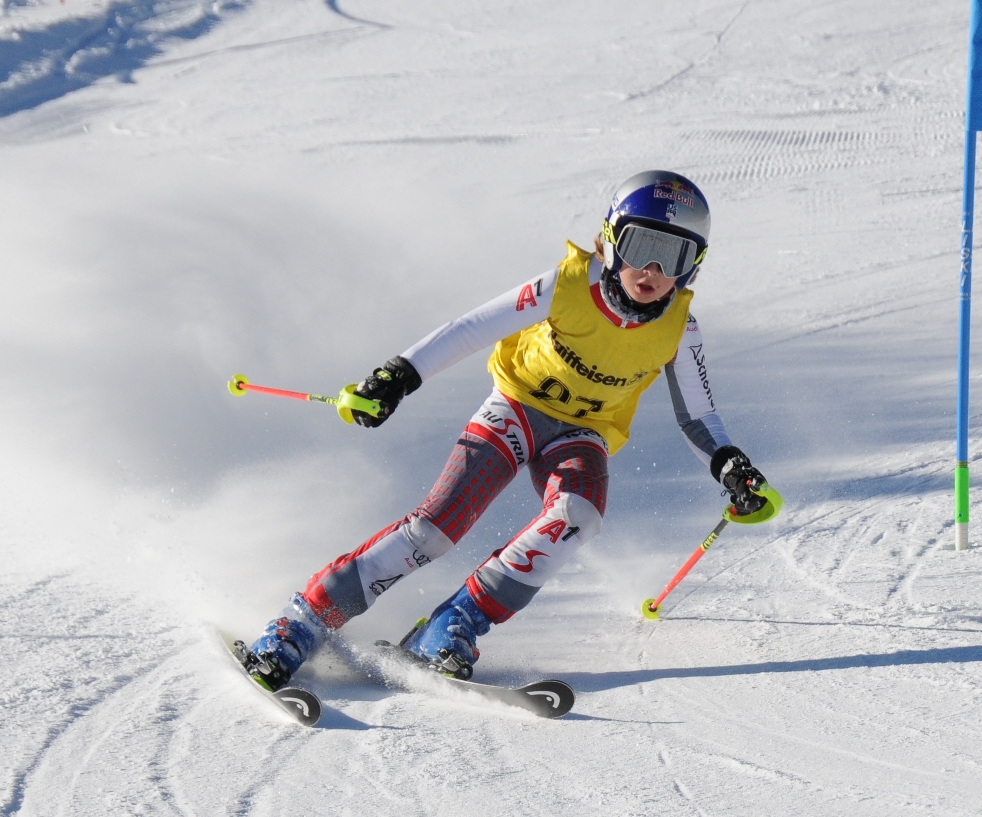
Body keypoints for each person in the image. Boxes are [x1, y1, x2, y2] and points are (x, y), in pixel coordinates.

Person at [239, 169, 774, 687]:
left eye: (673, 255)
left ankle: (453, 624)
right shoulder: (568, 285)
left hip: (582, 431)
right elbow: (472, 328)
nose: (651, 269)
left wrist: (730, 466)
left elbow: (698, 415)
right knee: (436, 529)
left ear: (693, 267)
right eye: (640, 246)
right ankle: (302, 622)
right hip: (517, 406)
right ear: (611, 241)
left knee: (579, 516)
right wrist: (398, 376)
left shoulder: (680, 329)